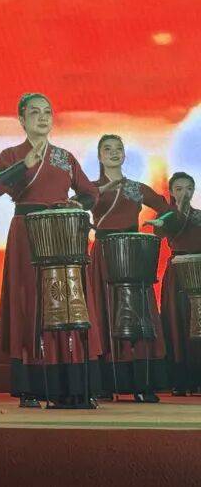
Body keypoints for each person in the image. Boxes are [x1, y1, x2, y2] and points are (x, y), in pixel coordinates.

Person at [0, 92, 101, 408]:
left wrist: (77, 204)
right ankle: (32, 386)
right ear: (22, 120)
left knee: (66, 301)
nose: (42, 117)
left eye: (47, 112)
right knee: (30, 300)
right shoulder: (11, 155)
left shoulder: (64, 156)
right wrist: (23, 165)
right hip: (27, 232)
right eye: (34, 112)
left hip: (62, 233)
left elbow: (90, 193)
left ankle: (72, 382)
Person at [88, 135, 172, 402]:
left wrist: (160, 223)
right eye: (107, 149)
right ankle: (105, 383)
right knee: (104, 311)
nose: (114, 153)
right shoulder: (91, 188)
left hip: (132, 255)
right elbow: (74, 206)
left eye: (118, 149)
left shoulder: (136, 188)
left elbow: (166, 209)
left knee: (137, 315)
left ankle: (141, 384)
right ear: (100, 157)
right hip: (103, 253)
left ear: (124, 155)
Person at [148, 172, 201, 396]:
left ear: (194, 191)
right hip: (177, 272)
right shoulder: (167, 216)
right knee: (176, 321)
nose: (184, 193)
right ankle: (179, 379)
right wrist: (176, 209)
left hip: (198, 269)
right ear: (171, 192)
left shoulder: (199, 216)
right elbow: (159, 230)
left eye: (188, 188)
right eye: (178, 189)